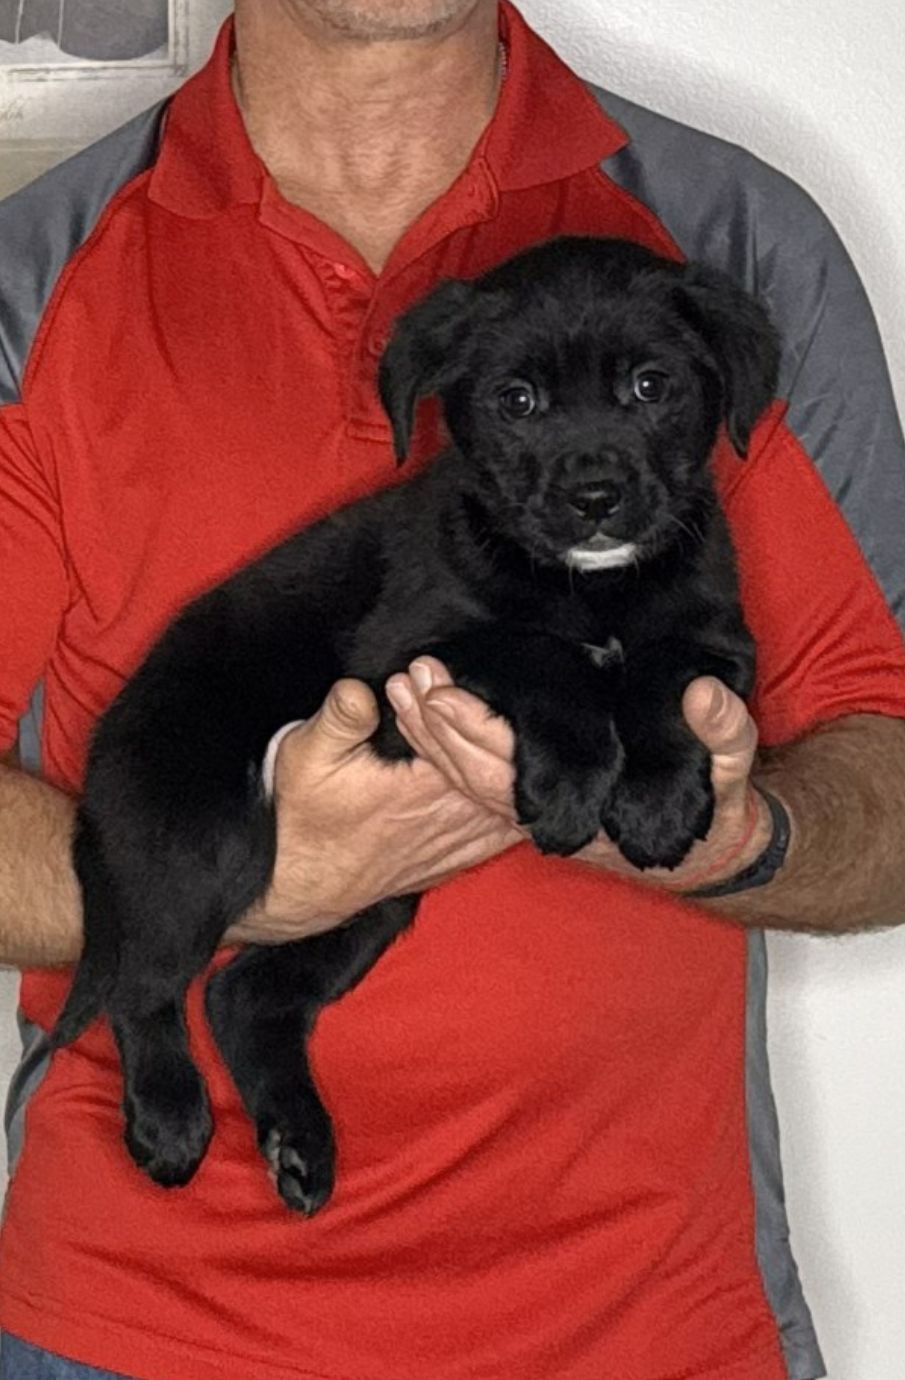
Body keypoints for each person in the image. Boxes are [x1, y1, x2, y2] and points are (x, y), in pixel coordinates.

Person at [0, 2, 904, 1377]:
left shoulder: (732, 241)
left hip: (641, 1322)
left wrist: (741, 839)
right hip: (141, 1324)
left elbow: (887, 771)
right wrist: (255, 882)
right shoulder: (34, 275)